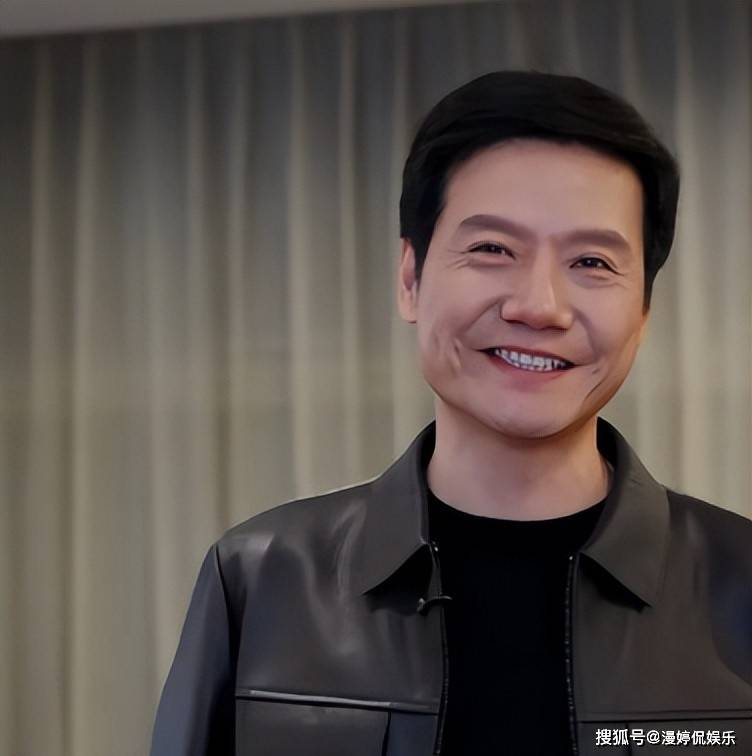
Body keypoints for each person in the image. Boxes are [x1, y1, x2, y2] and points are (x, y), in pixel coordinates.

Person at [150, 71, 751, 756]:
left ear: (643, 310)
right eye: (493, 249)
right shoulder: (260, 582)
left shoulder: (740, 587)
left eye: (591, 261)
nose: (539, 306)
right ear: (410, 278)